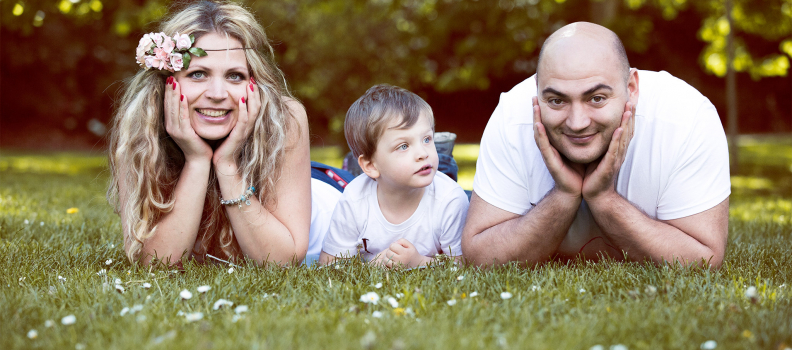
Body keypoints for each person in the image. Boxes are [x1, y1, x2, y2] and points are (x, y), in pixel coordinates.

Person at [462, 22, 730, 268]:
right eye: (557, 101)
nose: (577, 123)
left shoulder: (686, 118)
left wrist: (604, 199)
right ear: (537, 92)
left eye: (597, 98)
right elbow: (480, 256)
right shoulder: (513, 115)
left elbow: (703, 260)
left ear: (632, 88)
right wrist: (563, 195)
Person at [107, 1, 340, 266]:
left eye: (235, 76)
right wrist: (196, 160)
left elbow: (281, 261)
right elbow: (157, 263)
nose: (217, 94)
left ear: (255, 83)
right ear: (167, 82)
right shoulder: (141, 126)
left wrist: (227, 164)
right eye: (197, 74)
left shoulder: (284, 117)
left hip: (326, 200)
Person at [319, 85, 470, 268]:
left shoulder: (451, 199)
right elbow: (329, 265)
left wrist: (419, 262)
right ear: (371, 166)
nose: (422, 152)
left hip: (440, 183)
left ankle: (445, 157)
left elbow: (464, 266)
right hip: (378, 178)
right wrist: (372, 265)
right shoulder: (354, 198)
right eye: (404, 146)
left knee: (456, 184)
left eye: (427, 139)